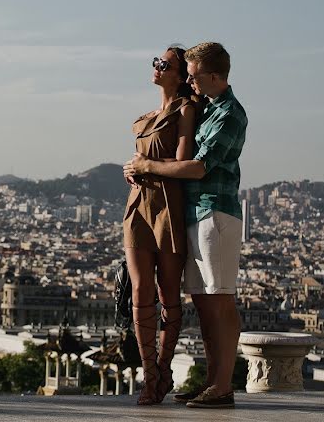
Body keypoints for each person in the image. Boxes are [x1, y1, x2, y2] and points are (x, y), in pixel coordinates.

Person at [124, 41, 247, 409]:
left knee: (220, 303)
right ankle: (213, 383)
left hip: (216, 213)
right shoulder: (207, 107)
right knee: (205, 303)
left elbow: (197, 166)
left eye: (193, 76)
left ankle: (222, 386)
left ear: (212, 75)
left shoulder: (229, 113)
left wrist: (145, 165)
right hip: (195, 214)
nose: (189, 83)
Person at [121, 45, 197, 405]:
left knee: (168, 293)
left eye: (164, 63)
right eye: (156, 61)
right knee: (140, 291)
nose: (156, 66)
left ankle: (163, 368)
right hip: (138, 207)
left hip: (168, 206)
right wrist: (130, 168)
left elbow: (182, 161)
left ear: (180, 75)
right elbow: (140, 161)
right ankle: (149, 375)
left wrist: (142, 165)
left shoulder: (186, 111)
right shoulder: (142, 119)